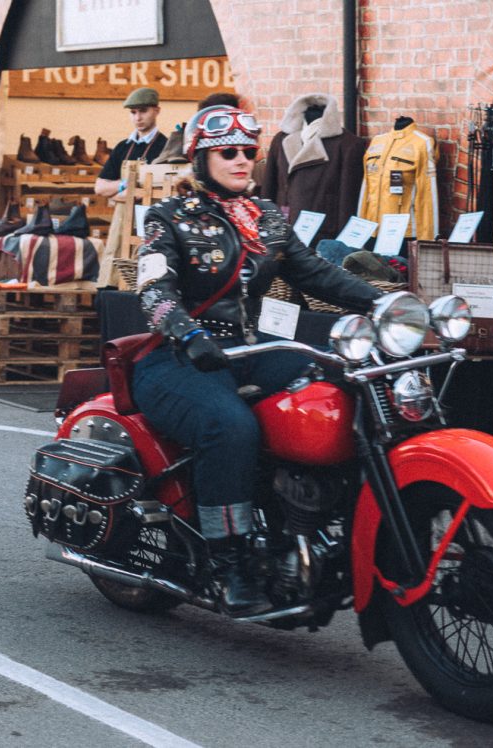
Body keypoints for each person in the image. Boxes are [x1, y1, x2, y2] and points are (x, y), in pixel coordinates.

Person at [133, 105, 382, 615]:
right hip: (180, 357)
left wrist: (383, 303)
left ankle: (315, 519)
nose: (242, 160)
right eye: (228, 152)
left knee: (343, 384)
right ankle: (228, 560)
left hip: (249, 349)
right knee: (232, 425)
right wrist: (186, 332)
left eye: (249, 151)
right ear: (201, 159)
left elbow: (316, 273)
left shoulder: (266, 217)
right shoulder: (170, 218)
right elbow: (154, 289)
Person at [94, 87, 167, 198]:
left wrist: (116, 193)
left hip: (150, 214)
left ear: (157, 111)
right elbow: (100, 188)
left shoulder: (166, 147)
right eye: (133, 112)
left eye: (143, 111)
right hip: (121, 215)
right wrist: (125, 185)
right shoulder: (122, 147)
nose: (138, 118)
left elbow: (165, 189)